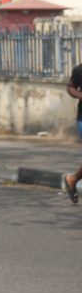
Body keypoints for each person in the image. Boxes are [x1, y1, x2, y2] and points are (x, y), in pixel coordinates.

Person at [63, 61, 82, 204]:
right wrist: (80, 95)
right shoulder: (79, 70)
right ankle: (73, 179)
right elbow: (70, 87)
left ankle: (72, 179)